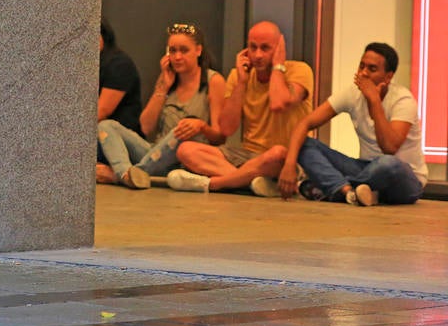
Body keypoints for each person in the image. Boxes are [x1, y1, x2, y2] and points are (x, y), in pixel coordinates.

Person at [167, 20, 314, 195]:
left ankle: (213, 184)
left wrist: (278, 66)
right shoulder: (238, 76)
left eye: (265, 48)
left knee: (277, 153)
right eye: (253, 47)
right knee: (186, 150)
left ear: (279, 48)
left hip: (286, 158)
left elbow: (278, 103)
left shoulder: (300, 70)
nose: (258, 55)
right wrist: (242, 82)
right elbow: (227, 128)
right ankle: (250, 183)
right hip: (246, 155)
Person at [277, 43, 426, 205]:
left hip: (404, 180)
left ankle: (331, 186)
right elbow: (304, 124)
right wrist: (289, 164)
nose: (363, 73)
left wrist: (374, 102)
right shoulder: (351, 93)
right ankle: (350, 193)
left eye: (372, 69)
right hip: (364, 169)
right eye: (361, 66)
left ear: (388, 77)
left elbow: (389, 148)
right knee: (304, 144)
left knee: (388, 163)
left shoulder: (403, 100)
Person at [98, 23, 226, 189]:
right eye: (172, 51)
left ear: (198, 51)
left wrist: (201, 126)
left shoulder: (213, 81)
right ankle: (126, 174)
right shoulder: (167, 80)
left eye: (184, 50)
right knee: (106, 125)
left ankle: (124, 175)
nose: (177, 57)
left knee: (180, 129)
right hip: (156, 153)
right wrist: (163, 87)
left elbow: (219, 136)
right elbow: (145, 126)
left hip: (187, 156)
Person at [94, 22, 143, 184]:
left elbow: (101, 112)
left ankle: (122, 174)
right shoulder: (92, 65)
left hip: (118, 139)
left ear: (101, 37)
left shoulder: (118, 64)